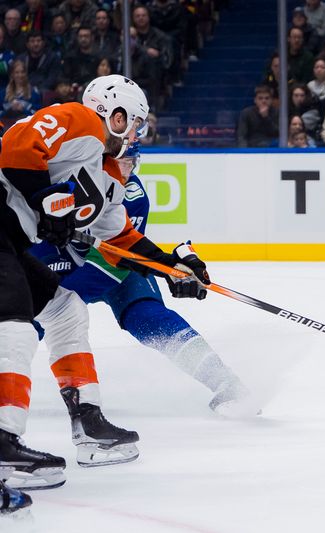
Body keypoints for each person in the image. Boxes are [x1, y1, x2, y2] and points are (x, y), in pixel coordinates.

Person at [0, 75, 210, 493]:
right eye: (135, 122)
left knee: (64, 310)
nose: (137, 134)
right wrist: (45, 201)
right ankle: (4, 443)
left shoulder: (106, 175)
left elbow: (120, 238)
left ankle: (89, 423)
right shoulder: (79, 120)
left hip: (11, 239)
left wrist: (173, 267)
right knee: (16, 326)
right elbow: (14, 149)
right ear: (114, 115)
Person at [29, 142, 259, 421]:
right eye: (121, 161)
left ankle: (225, 382)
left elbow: (115, 263)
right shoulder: (63, 180)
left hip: (113, 269)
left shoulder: (133, 195)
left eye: (132, 162)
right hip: (52, 259)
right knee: (27, 317)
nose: (127, 170)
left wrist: (169, 268)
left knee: (147, 316)